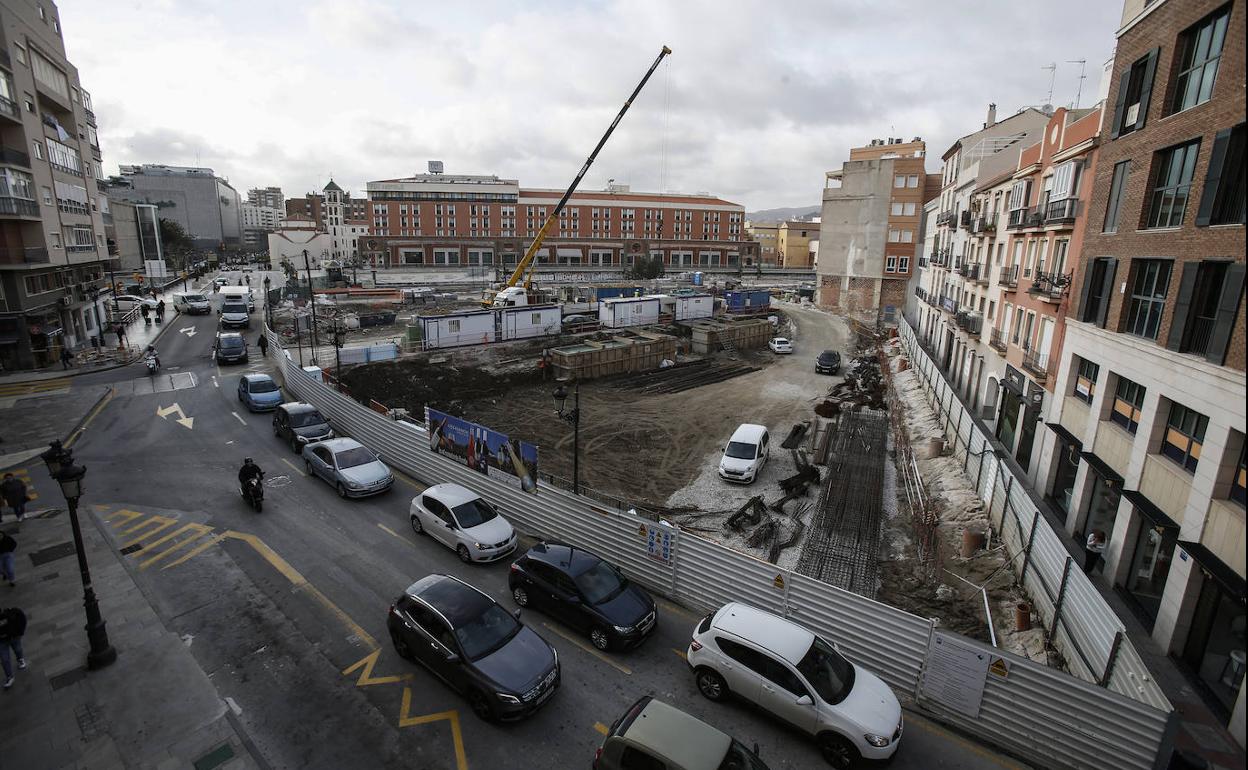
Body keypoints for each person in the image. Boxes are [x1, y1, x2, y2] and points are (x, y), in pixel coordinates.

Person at [0, 605, 26, 688]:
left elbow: (21, 616)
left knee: (18, 649)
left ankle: (20, 659)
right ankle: (9, 677)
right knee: (4, 659)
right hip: (1, 642)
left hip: (13, 637)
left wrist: (20, 632)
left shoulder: (8, 614)